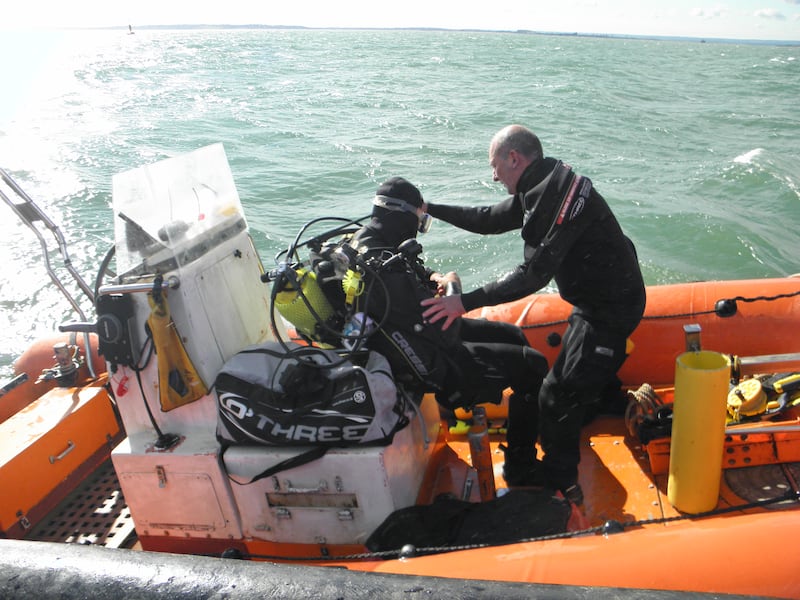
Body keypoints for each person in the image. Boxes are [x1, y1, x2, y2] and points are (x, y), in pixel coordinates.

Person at [420, 125, 646, 504]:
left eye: (496, 166)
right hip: (594, 300)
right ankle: (601, 398)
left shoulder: (555, 200)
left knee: (555, 397)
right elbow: (488, 218)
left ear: (514, 159)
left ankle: (560, 482)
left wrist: (464, 302)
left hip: (611, 306)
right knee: (576, 362)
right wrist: (431, 210)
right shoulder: (542, 184)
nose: (493, 176)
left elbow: (533, 275)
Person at [348, 176, 549, 486]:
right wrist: (454, 285)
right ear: (402, 216)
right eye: (419, 222)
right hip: (431, 362)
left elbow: (412, 274)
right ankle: (520, 466)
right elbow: (445, 331)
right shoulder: (386, 272)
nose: (418, 229)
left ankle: (514, 433)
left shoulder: (367, 243)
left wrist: (434, 276)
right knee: (533, 365)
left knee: (515, 337)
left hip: (409, 341)